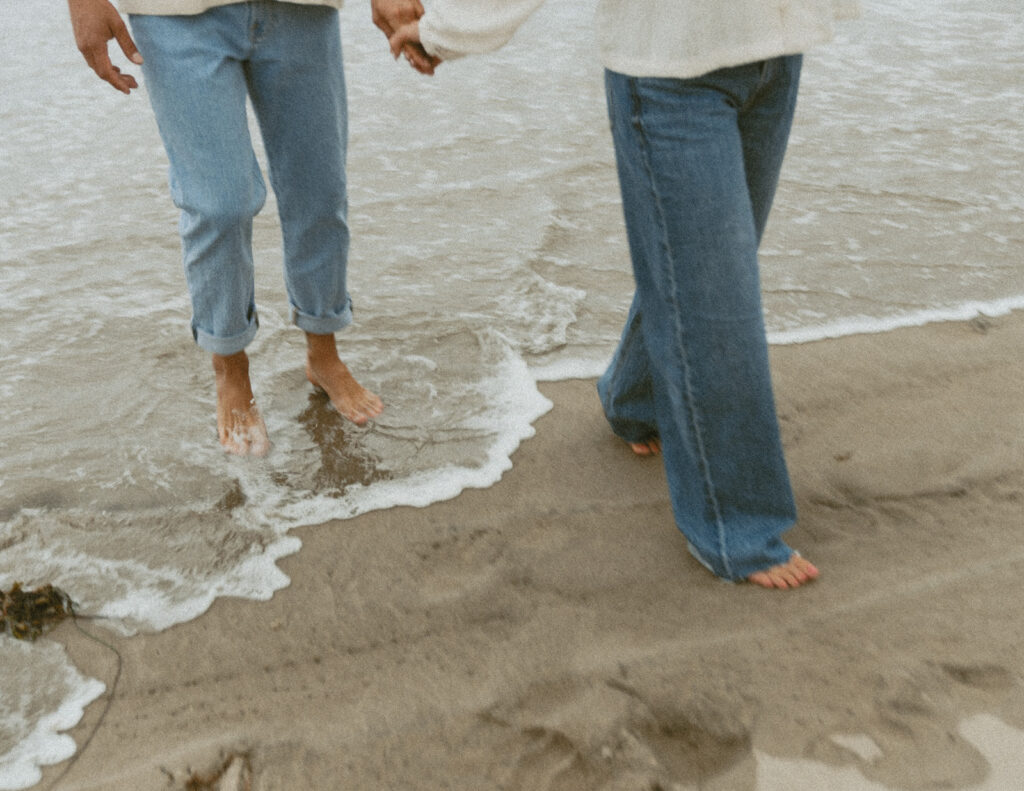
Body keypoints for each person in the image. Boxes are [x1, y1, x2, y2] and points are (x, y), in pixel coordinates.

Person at [378, 0, 859, 588]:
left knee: (704, 274)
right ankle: (736, 527)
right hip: (669, 72)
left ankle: (634, 397)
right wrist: (446, 32)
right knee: (715, 302)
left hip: (776, 52)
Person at [66, 0, 435, 455]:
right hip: (173, 14)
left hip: (302, 8)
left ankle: (324, 354)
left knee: (319, 190)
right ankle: (230, 370)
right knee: (219, 204)